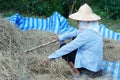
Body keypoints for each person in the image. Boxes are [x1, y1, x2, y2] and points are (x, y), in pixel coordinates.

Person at [44, 3, 103, 79]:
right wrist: (60, 37)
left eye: (79, 21)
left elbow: (69, 47)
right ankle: (81, 66)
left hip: (90, 65)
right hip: (94, 62)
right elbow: (76, 32)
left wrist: (51, 57)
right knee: (75, 37)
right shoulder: (92, 28)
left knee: (63, 47)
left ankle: (76, 70)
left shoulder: (86, 34)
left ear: (84, 21)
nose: (78, 22)